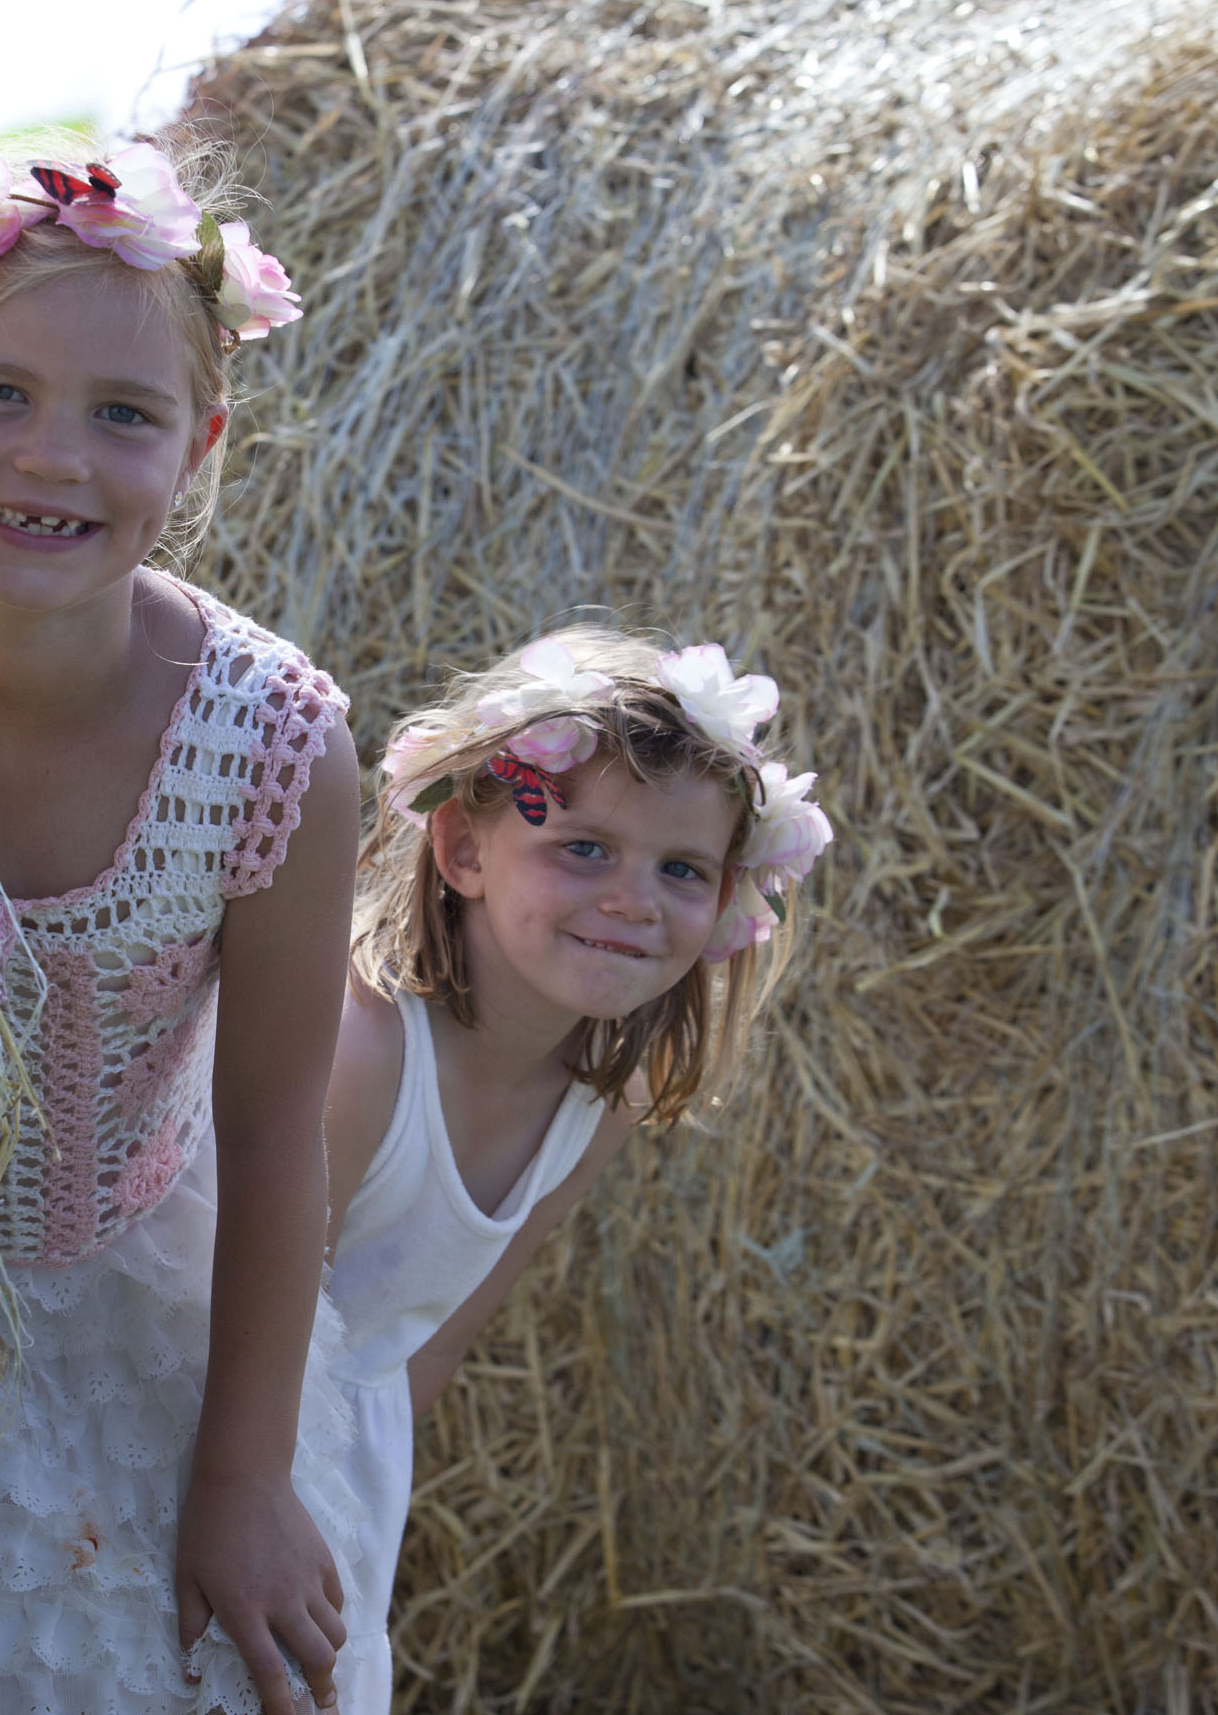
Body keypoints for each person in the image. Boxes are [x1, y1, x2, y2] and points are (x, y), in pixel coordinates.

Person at [0, 136, 355, 1715]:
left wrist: (240, 1479)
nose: (54, 458)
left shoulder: (266, 745)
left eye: (123, 415)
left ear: (198, 448)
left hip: (119, 1302)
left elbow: (274, 1137)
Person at [319, 628, 837, 1711]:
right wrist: (259, 1508)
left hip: (336, 1488)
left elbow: (428, 1348)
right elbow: (206, 1326)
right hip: (192, 1449)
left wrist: (342, 1525)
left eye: (681, 869)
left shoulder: (601, 1102)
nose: (635, 899)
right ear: (462, 851)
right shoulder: (360, 1053)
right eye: (585, 848)